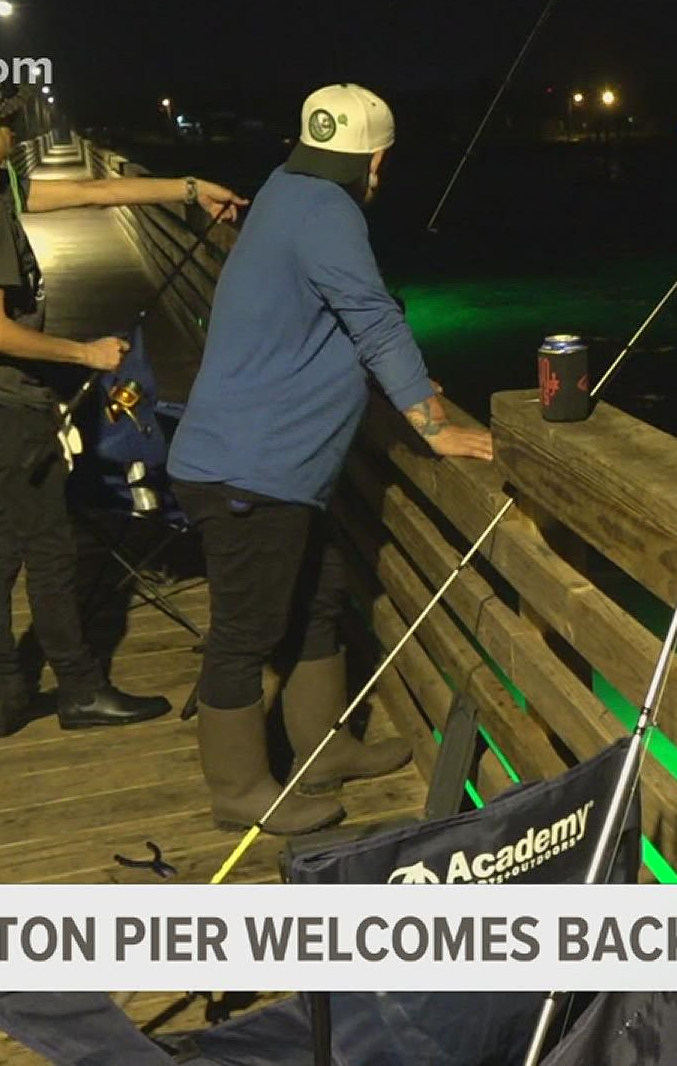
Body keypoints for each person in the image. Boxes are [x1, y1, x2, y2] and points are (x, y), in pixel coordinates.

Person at [169, 83, 493, 835]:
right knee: (245, 633)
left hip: (267, 463)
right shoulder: (330, 212)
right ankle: (240, 788)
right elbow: (374, 318)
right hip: (251, 468)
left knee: (318, 598)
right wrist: (433, 425)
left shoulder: (284, 189)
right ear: (376, 159)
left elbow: (323, 319)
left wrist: (403, 385)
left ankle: (322, 749)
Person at [0, 79, 248, 739]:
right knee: (51, 547)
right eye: (6, 121)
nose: (17, 129)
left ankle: (5, 693)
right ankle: (79, 690)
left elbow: (93, 191)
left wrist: (187, 188)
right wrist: (84, 353)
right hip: (3, 404)